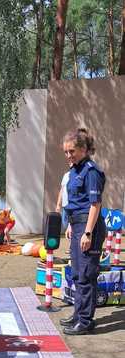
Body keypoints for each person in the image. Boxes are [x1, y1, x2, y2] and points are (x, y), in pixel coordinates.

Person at [59, 128, 106, 335]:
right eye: (66, 152)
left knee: (86, 275)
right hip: (77, 225)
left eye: (72, 151)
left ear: (84, 149)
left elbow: (94, 204)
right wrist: (71, 225)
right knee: (78, 274)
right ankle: (79, 314)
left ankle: (86, 322)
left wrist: (87, 233)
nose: (68, 155)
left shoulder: (91, 171)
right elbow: (74, 203)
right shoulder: (74, 171)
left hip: (90, 227)